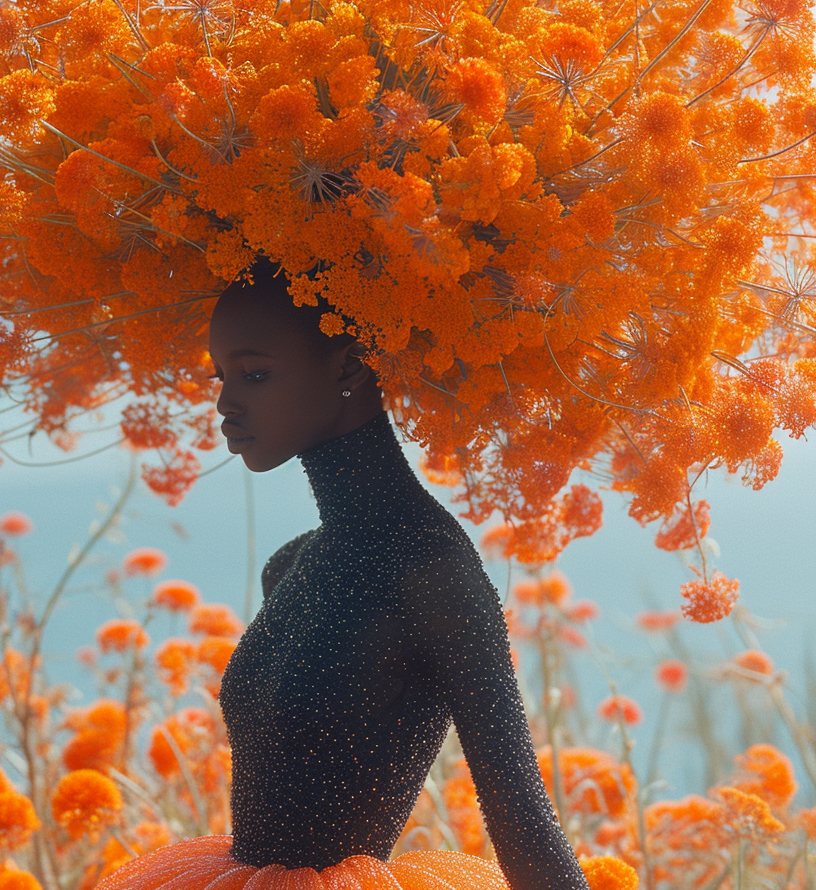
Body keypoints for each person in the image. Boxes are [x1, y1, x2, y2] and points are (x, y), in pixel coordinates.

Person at [99, 264, 589, 890]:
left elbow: (526, 829)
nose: (225, 403)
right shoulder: (292, 564)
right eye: (221, 376)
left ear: (350, 366)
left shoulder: (433, 572)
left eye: (254, 374)